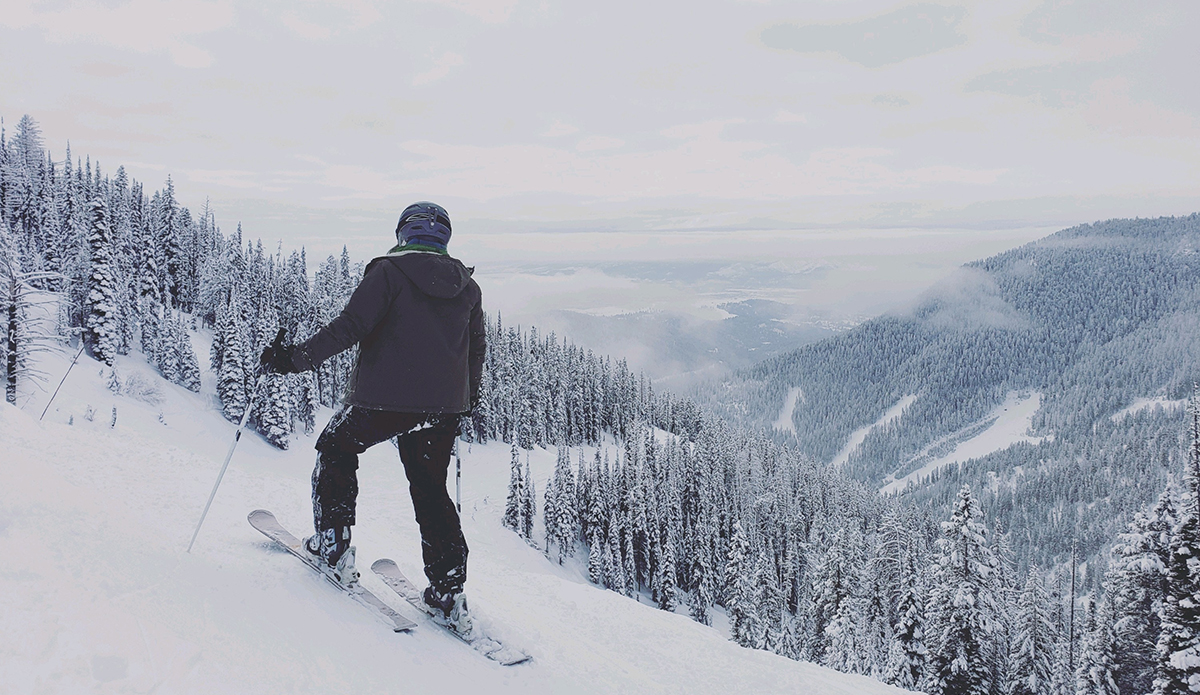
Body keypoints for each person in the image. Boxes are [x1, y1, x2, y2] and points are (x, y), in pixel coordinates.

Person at [260, 201, 484, 633]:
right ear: (444, 239)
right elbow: (476, 350)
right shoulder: (468, 287)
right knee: (430, 489)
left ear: (404, 233)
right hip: (443, 410)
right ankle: (447, 591)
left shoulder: (387, 272)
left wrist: (292, 360)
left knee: (335, 447)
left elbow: (349, 328)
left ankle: (334, 545)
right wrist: (466, 401)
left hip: (384, 402)